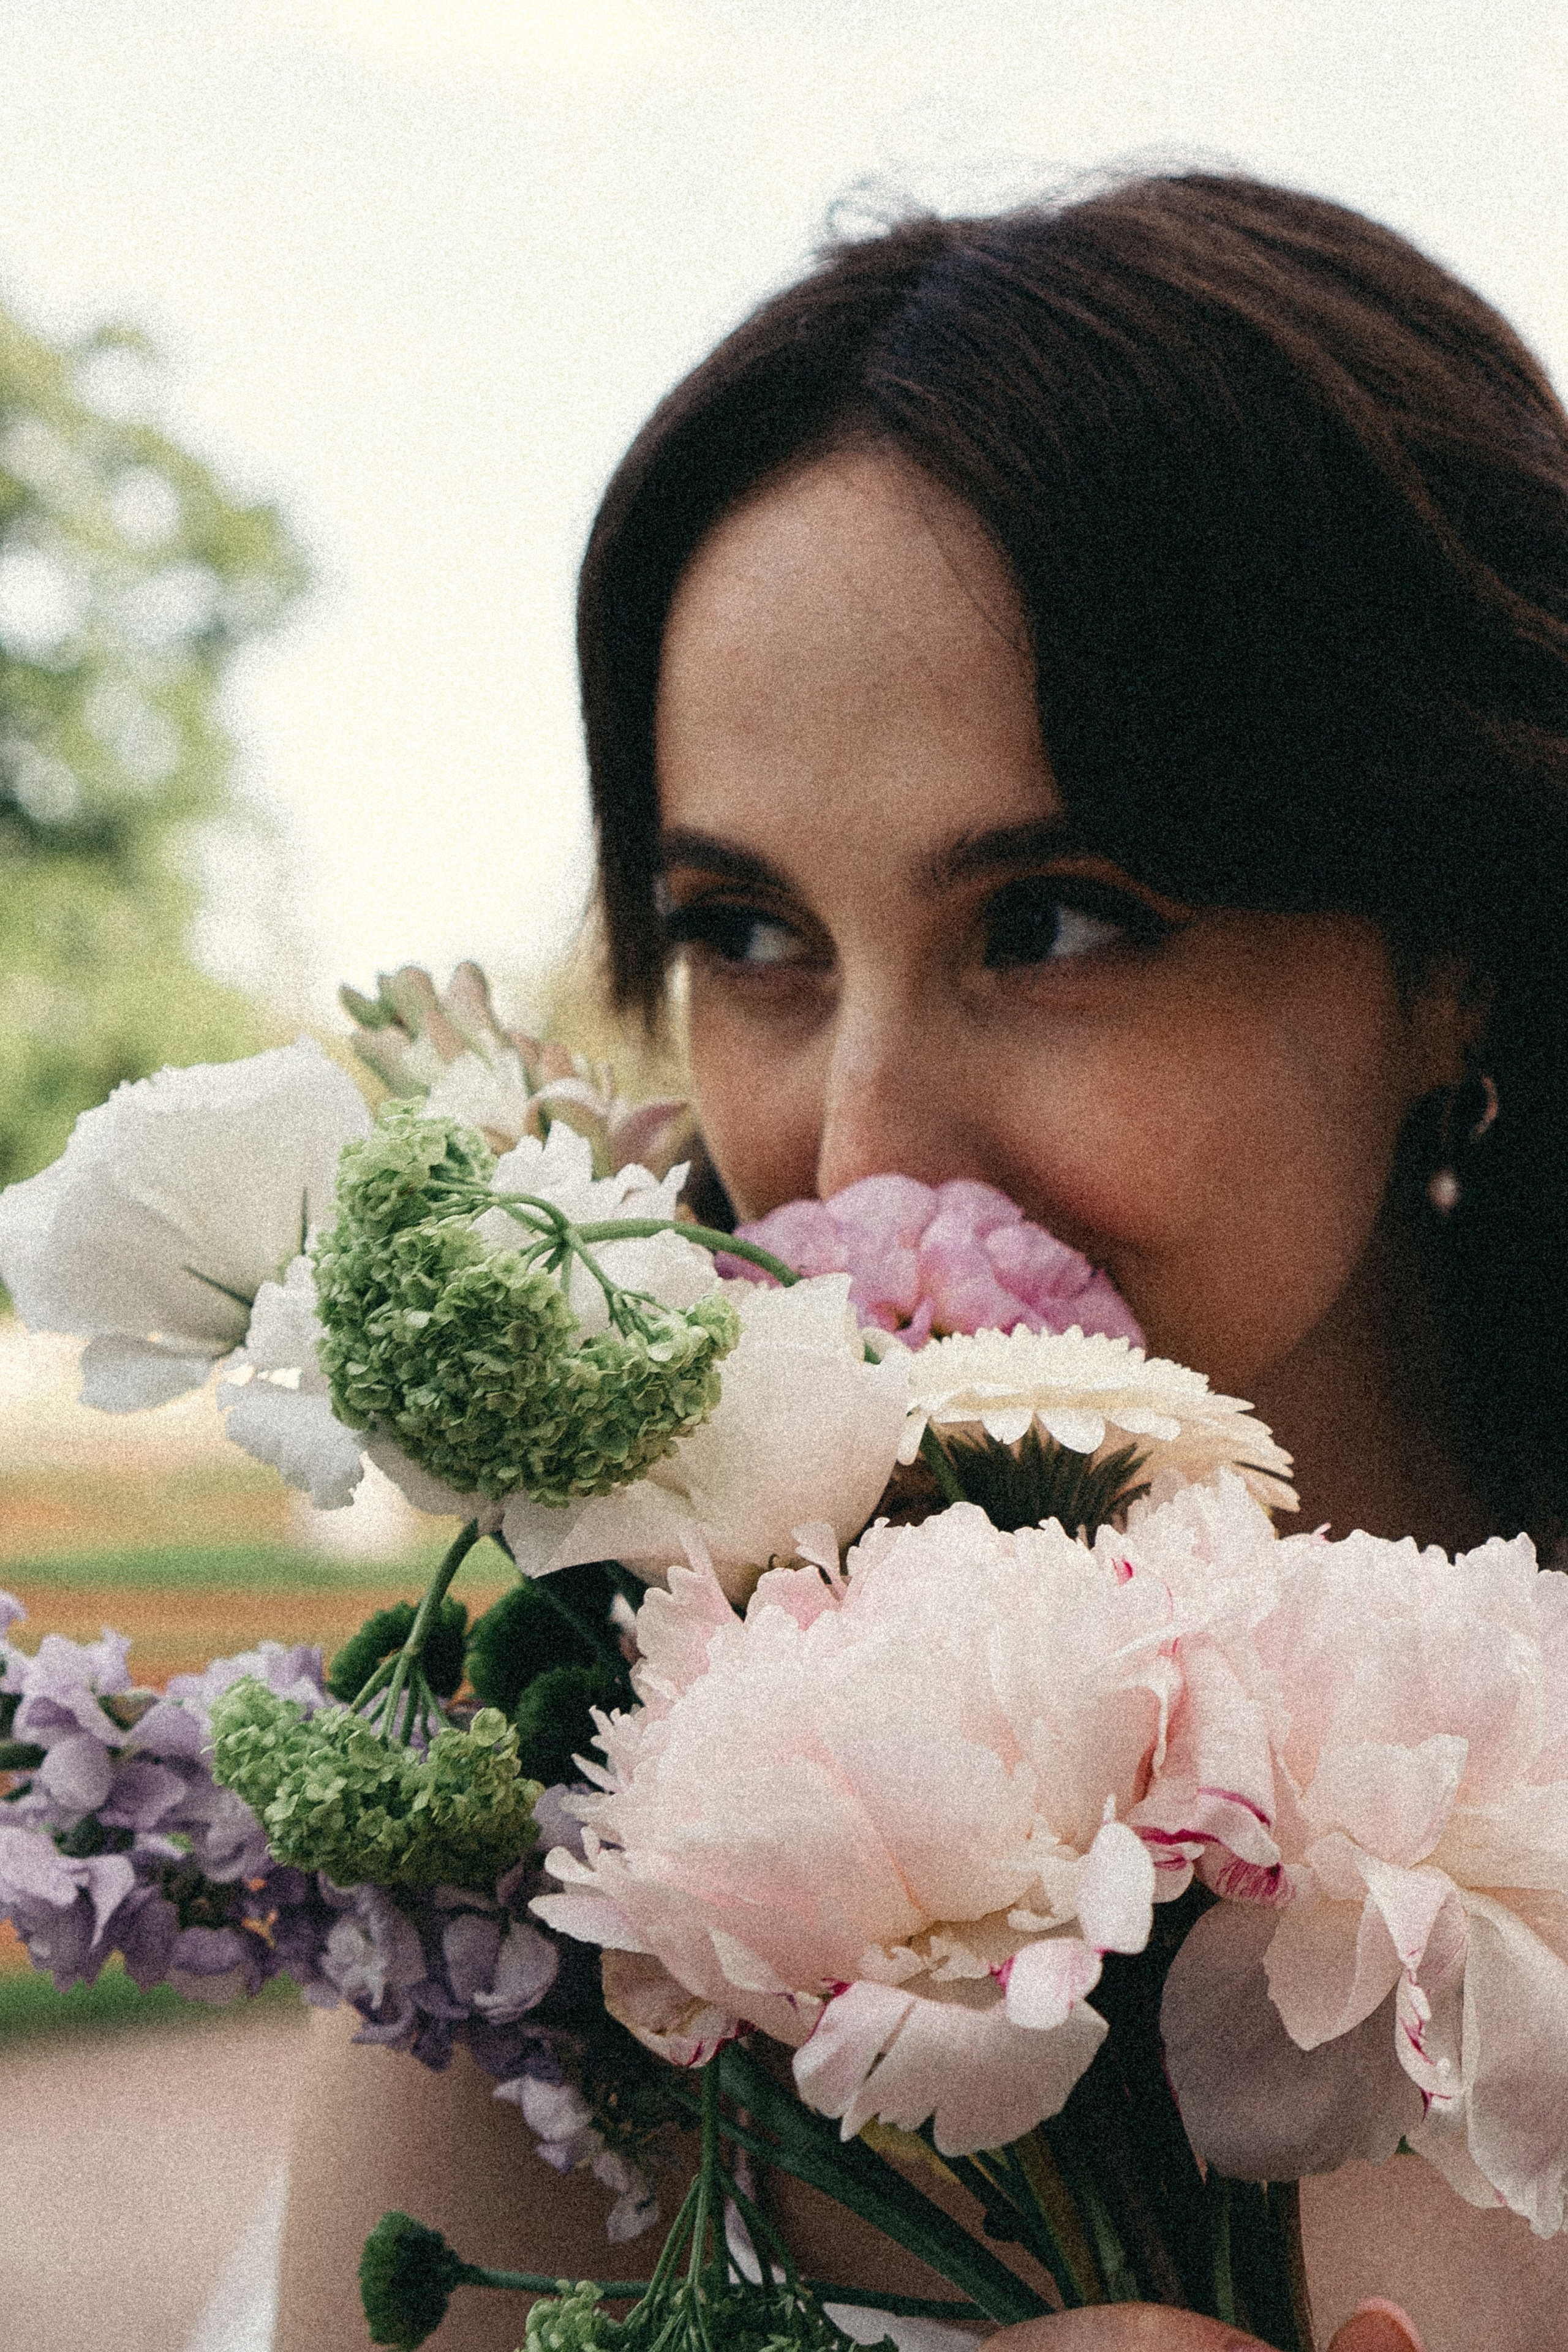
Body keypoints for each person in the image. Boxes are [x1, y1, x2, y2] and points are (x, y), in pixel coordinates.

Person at [271, 173, 1568, 2352]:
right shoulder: (577, 1887)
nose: (856, 1144)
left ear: (1456, 952)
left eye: (1052, 919)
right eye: (748, 935)